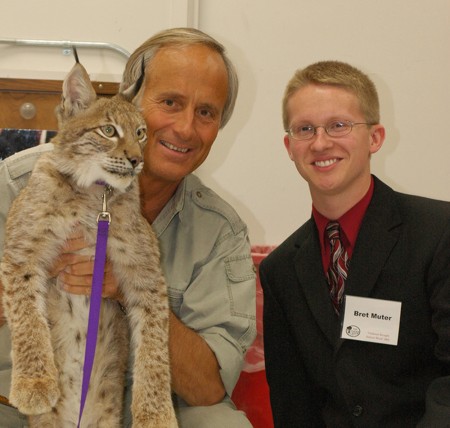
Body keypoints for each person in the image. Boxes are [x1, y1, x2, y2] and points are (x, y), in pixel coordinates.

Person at [0, 27, 256, 427]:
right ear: (130, 99)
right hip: (23, 398)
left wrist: (123, 288)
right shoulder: (17, 182)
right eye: (170, 102)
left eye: (206, 113)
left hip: (147, 402)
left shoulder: (220, 230)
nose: (186, 128)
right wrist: (38, 268)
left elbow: (208, 389)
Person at [260, 60, 450, 427]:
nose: (320, 142)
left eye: (338, 125)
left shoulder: (439, 234)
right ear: (289, 146)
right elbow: (292, 403)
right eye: (305, 129)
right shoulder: (280, 270)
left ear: (375, 137)